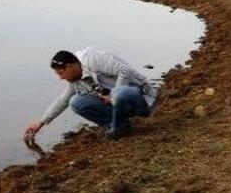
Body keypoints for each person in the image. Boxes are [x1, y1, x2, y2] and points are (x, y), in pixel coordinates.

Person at [23, 47, 156, 141]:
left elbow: (124, 70)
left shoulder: (94, 59)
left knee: (118, 91)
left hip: (139, 97)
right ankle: (119, 126)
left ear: (70, 66)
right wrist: (41, 123)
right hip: (121, 105)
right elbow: (62, 101)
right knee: (76, 102)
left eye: (60, 73)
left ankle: (130, 114)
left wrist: (113, 95)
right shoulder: (75, 80)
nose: (60, 78)